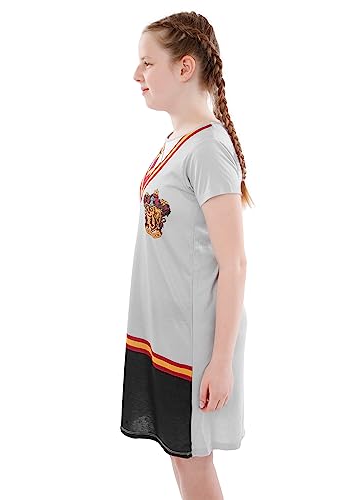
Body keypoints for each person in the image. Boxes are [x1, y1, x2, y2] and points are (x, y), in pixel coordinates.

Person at [120, 11, 255, 499]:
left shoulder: (208, 150)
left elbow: (234, 263)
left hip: (196, 342)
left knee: (194, 464)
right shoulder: (177, 141)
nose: (136, 75)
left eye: (147, 62)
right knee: (181, 459)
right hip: (167, 333)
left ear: (184, 67)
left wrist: (220, 361)